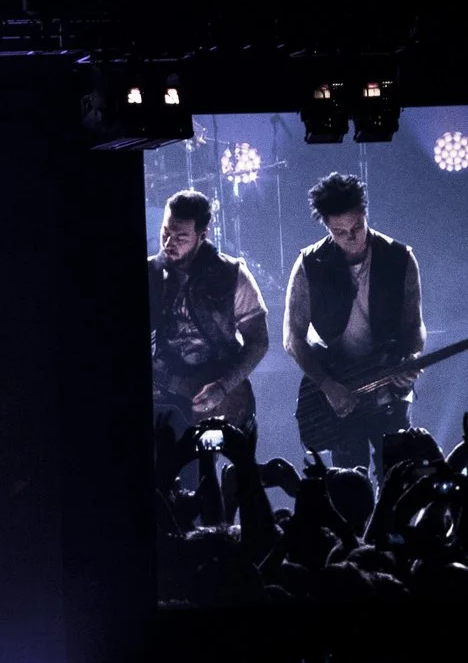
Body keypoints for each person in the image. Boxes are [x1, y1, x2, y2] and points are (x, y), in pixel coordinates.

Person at [283, 173, 426, 470]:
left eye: (357, 226)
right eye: (340, 231)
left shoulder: (400, 258)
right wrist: (327, 385)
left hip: (389, 387)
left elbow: (414, 324)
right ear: (326, 226)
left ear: (365, 213)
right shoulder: (309, 264)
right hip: (342, 390)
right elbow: (292, 338)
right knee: (349, 482)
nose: (351, 237)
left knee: (399, 475)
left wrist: (412, 357)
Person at [149, 190, 267, 435]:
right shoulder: (150, 275)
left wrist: (223, 387)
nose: (168, 244)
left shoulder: (233, 275)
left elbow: (258, 342)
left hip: (220, 394)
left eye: (180, 237)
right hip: (164, 393)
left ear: (202, 235)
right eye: (165, 233)